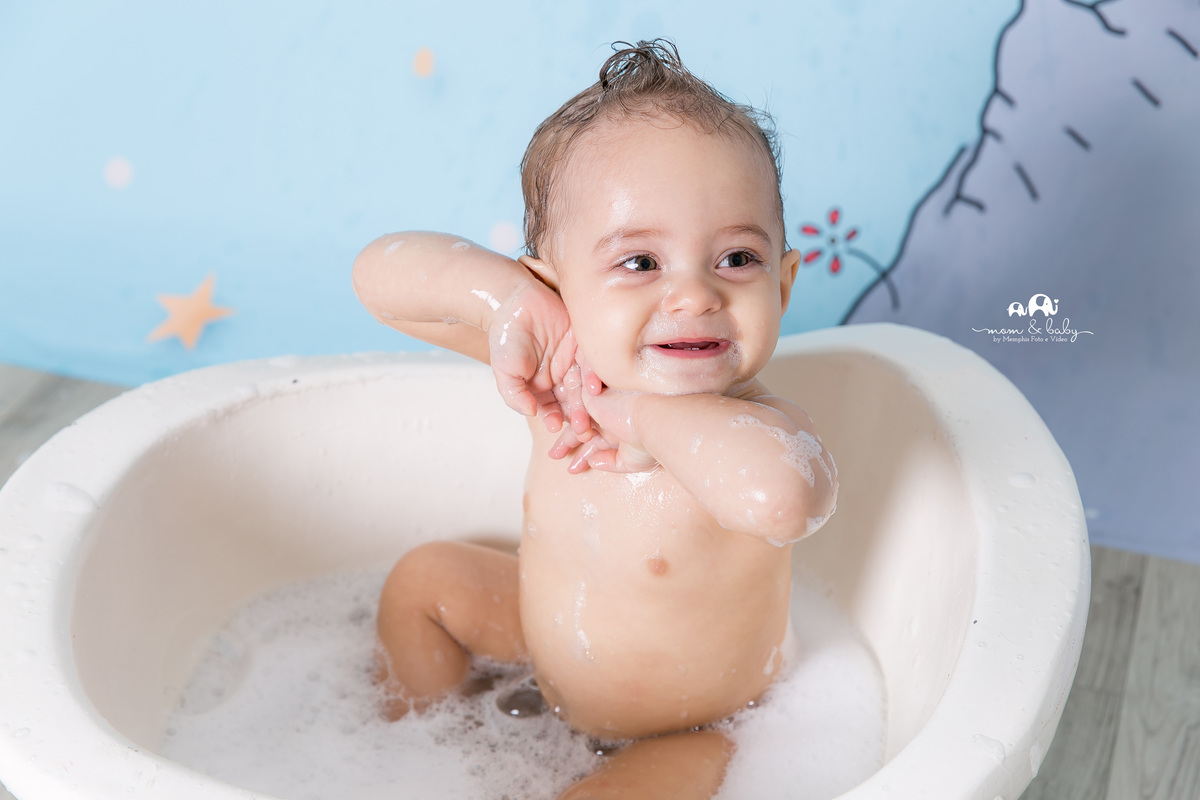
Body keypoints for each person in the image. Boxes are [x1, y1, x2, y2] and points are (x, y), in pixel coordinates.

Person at [351, 39, 838, 800]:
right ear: (559, 289)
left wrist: (641, 419)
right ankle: (408, 755)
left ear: (784, 283)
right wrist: (507, 303)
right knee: (425, 581)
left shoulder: (755, 427)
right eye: (640, 263)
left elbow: (783, 498)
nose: (694, 296)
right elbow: (377, 277)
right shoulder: (560, 364)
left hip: (690, 728)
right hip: (546, 646)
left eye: (736, 259)